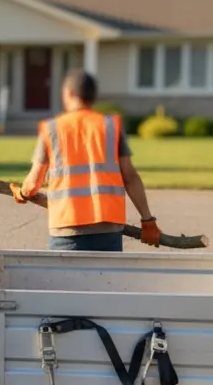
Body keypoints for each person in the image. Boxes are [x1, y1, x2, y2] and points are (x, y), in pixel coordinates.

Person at [9, 69, 161, 251]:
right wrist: (147, 220)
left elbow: (33, 182)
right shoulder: (110, 126)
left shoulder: (52, 129)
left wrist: (23, 193)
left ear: (68, 93)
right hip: (107, 228)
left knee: (66, 280)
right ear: (93, 96)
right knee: (106, 280)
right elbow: (130, 177)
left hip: (66, 227)